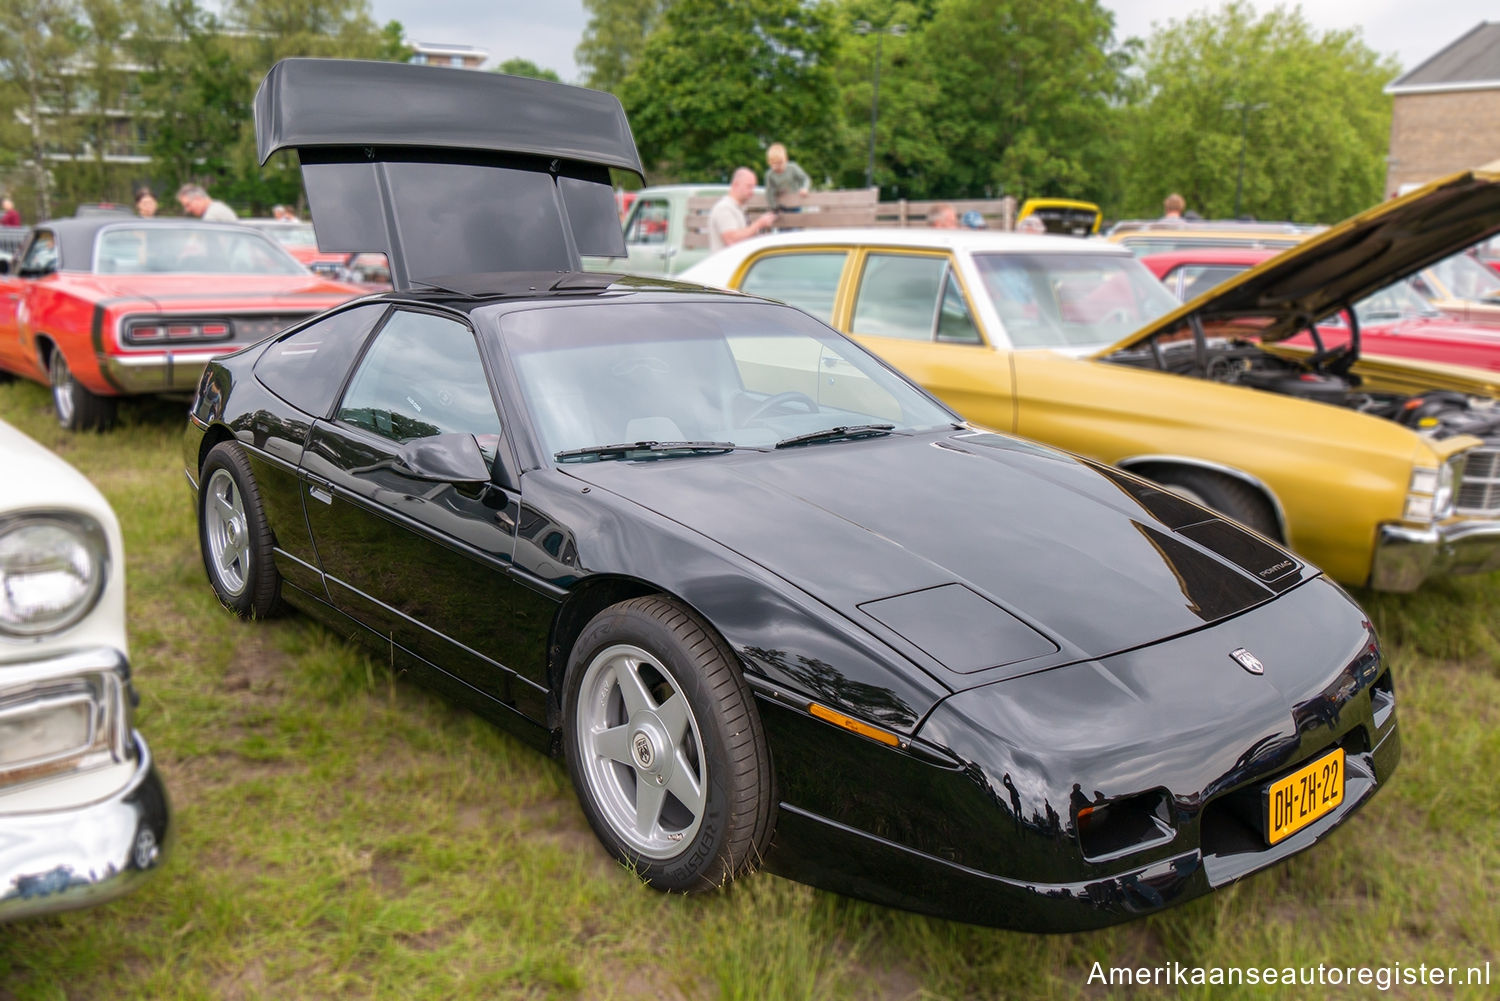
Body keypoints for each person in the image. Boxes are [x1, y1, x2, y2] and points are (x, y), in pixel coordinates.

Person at [708, 167, 775, 252]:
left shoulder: (738, 209)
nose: (752, 191)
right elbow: (732, 240)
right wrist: (759, 224)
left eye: (753, 187)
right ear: (736, 185)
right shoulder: (724, 208)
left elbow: (742, 240)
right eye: (749, 186)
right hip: (726, 264)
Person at [763, 142, 810, 213]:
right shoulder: (769, 175)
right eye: (774, 164)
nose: (778, 166)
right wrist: (774, 207)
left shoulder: (793, 168)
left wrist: (805, 188)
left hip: (795, 203)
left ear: (786, 159)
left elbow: (805, 178)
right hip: (781, 205)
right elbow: (769, 193)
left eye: (780, 163)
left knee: (796, 220)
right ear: (769, 162)